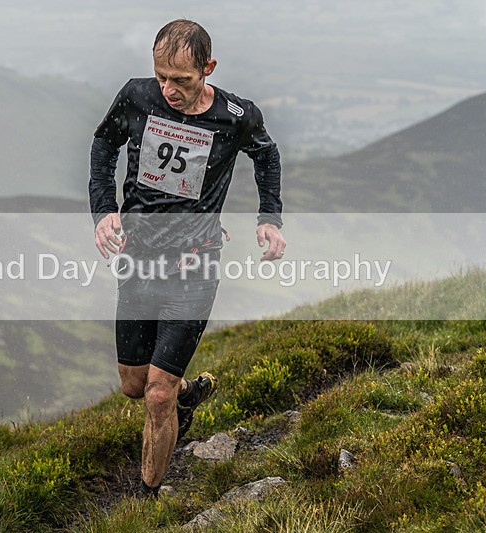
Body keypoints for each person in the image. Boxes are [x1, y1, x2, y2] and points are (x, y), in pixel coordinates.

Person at [89, 19, 285, 498]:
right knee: (135, 385)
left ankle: (146, 495)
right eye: (162, 77)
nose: (169, 90)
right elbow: (103, 144)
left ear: (208, 68)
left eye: (182, 80)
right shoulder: (137, 97)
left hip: (195, 266)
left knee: (157, 394)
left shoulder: (237, 115)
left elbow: (267, 156)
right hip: (138, 260)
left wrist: (269, 219)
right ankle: (186, 400)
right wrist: (103, 210)